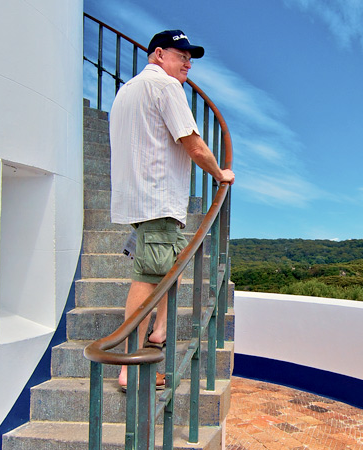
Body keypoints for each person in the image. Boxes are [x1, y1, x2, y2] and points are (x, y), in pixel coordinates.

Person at [108, 30, 235, 391]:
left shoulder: (126, 91)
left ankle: (161, 331)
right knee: (148, 277)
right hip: (158, 199)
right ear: (158, 54)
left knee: (170, 264)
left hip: (139, 198)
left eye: (190, 57)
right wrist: (220, 173)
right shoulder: (166, 87)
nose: (187, 62)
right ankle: (129, 366)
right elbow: (193, 144)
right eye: (181, 55)